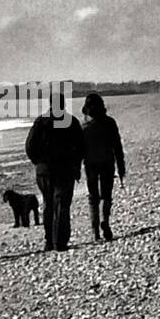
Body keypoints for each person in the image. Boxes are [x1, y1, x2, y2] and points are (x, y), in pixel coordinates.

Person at [24, 91, 85, 251]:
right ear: (63, 104)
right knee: (62, 205)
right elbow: (81, 148)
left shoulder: (41, 122)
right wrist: (76, 166)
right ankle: (60, 242)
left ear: (50, 104)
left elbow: (30, 146)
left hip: (44, 171)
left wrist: (38, 162)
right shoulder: (71, 122)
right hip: (64, 170)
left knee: (48, 204)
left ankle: (49, 241)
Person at [80, 93, 126, 242]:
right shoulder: (110, 123)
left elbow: (79, 150)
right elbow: (117, 146)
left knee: (93, 197)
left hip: (90, 164)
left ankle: (95, 232)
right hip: (107, 161)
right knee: (106, 195)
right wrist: (121, 166)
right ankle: (105, 221)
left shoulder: (84, 127)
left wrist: (75, 169)